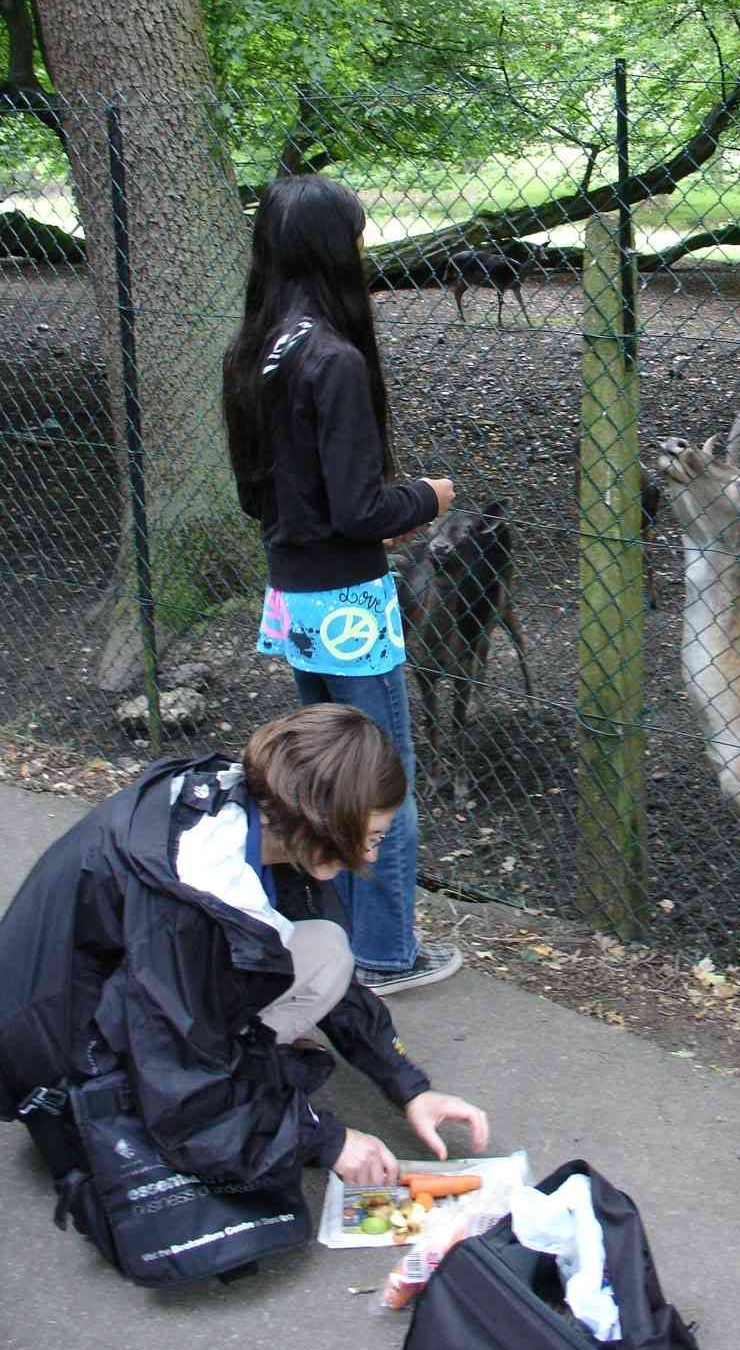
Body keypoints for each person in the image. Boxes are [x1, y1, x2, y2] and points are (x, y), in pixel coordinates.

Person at [0, 703, 489, 1202]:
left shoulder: (266, 814)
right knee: (199, 1131)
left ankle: (241, 1067)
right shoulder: (192, 896)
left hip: (112, 990)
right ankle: (129, 1105)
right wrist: (325, 1138)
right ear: (328, 824)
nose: (372, 855)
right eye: (374, 837)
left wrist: (409, 1087)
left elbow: (331, 979)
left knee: (327, 951)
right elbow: (176, 1082)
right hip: (57, 1054)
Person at [222, 173, 460, 994]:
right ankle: (388, 954)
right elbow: (361, 508)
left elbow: (269, 490)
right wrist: (426, 498)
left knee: (325, 774)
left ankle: (343, 942)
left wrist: (355, 515)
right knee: (378, 781)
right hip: (352, 606)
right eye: (356, 237)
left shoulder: (257, 350)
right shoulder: (335, 357)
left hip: (293, 597)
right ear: (332, 249)